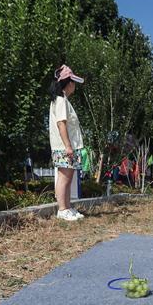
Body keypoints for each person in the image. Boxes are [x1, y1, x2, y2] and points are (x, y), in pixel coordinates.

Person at [48, 64, 86, 221]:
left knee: (68, 177)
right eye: (73, 82)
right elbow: (61, 124)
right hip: (64, 147)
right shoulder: (60, 100)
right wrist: (68, 146)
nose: (74, 85)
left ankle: (67, 207)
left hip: (67, 147)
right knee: (64, 177)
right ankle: (62, 209)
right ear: (68, 83)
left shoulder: (63, 100)